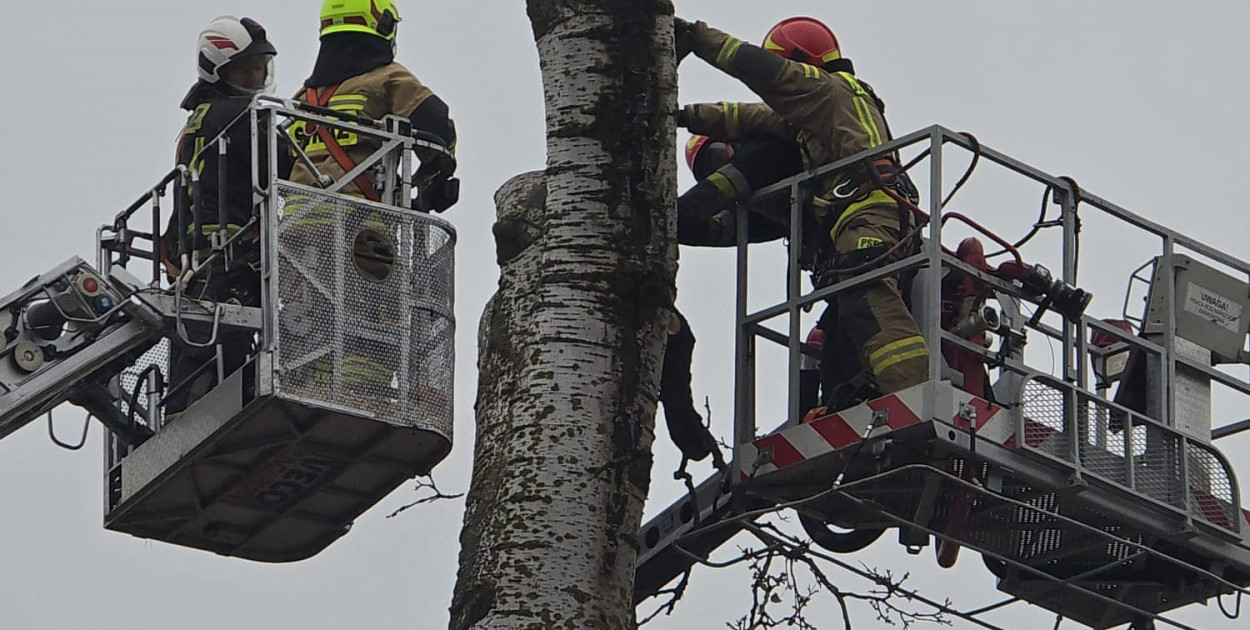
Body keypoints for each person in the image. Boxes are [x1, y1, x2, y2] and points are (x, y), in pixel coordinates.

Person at [675, 16, 929, 405]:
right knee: (844, 325)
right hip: (867, 216)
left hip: (868, 211)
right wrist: (681, 115)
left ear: (801, 63)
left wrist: (697, 37)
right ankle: (862, 396)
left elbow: (759, 70)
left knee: (866, 291)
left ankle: (912, 393)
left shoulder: (826, 91)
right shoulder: (814, 114)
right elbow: (744, 117)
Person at [282, 0, 458, 410]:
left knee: (309, 313)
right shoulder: (387, 78)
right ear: (381, 24)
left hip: (295, 226)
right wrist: (435, 181)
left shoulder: (305, 98)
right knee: (374, 315)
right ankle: (365, 396)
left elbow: (273, 157)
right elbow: (436, 126)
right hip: (357, 226)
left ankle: (308, 386)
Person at [161, 16, 289, 419]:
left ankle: (177, 414)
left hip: (198, 261)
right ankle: (208, 415)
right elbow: (287, 165)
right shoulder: (244, 118)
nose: (255, 76)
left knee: (196, 345)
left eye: (259, 68)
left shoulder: (196, 122)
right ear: (217, 69)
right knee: (229, 348)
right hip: (234, 258)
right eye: (245, 68)